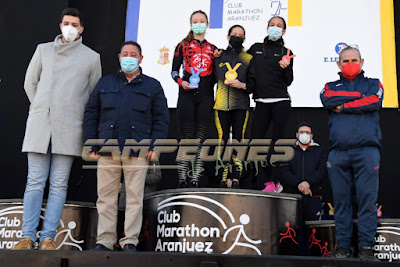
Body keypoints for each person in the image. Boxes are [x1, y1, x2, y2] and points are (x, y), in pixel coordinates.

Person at [13, 8, 101, 250]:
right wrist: (43, 108)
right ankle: (27, 236)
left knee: (59, 184)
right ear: (60, 25)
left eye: (74, 24)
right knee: (34, 181)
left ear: (81, 29)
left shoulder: (92, 58)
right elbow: (30, 83)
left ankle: (48, 238)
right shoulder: (43, 50)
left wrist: (69, 113)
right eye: (66, 23)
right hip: (41, 124)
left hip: (70, 128)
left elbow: (92, 96)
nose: (70, 27)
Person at [83, 41, 169, 251]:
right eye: (125, 54)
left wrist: (154, 146)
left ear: (140, 59)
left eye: (133, 54)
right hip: (107, 148)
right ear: (119, 57)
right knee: (106, 199)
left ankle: (130, 240)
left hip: (137, 149)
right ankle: (105, 241)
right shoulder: (105, 83)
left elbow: (161, 119)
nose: (129, 57)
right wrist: (91, 142)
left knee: (134, 198)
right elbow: (91, 114)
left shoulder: (153, 86)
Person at [320, 45, 382, 261]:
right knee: (341, 203)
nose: (350, 64)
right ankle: (343, 248)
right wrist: (358, 96)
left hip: (367, 151)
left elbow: (375, 100)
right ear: (338, 64)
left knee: (367, 201)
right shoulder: (330, 86)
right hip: (338, 153)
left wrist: (344, 105)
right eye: (345, 61)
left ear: (362, 62)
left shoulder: (373, 84)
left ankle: (366, 248)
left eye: (354, 60)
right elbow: (327, 99)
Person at [247, 16, 294, 191]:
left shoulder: (287, 52)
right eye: (272, 25)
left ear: (284, 31)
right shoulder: (255, 48)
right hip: (261, 102)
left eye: (279, 26)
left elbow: (288, 81)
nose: (275, 28)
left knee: (278, 144)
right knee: (257, 143)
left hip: (281, 101)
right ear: (267, 28)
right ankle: (262, 181)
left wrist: (285, 68)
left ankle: (276, 181)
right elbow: (243, 66)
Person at [171, 10, 217, 188]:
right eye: (195, 21)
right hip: (186, 96)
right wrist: (182, 83)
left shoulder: (213, 49)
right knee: (186, 139)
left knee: (200, 139)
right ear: (191, 24)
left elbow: (216, 75)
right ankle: (182, 179)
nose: (198, 24)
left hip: (206, 97)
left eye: (202, 21)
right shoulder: (182, 45)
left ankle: (195, 178)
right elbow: (174, 71)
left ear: (207, 24)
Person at [213, 25, 255, 188]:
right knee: (222, 141)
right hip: (221, 104)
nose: (237, 37)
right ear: (228, 36)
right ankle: (223, 178)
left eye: (240, 35)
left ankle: (237, 178)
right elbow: (210, 79)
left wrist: (242, 85)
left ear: (244, 39)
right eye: (234, 34)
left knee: (238, 140)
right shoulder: (218, 56)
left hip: (241, 105)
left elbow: (253, 84)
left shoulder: (248, 58)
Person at [280, 122, 327, 255]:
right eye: (301, 132)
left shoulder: (319, 150)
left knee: (313, 230)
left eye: (307, 132)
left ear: (312, 135)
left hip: (313, 196)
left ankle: (314, 259)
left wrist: (308, 183)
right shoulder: (289, 151)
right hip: (293, 197)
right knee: (293, 229)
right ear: (297, 135)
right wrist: (300, 184)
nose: (304, 135)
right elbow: (284, 173)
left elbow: (322, 171)